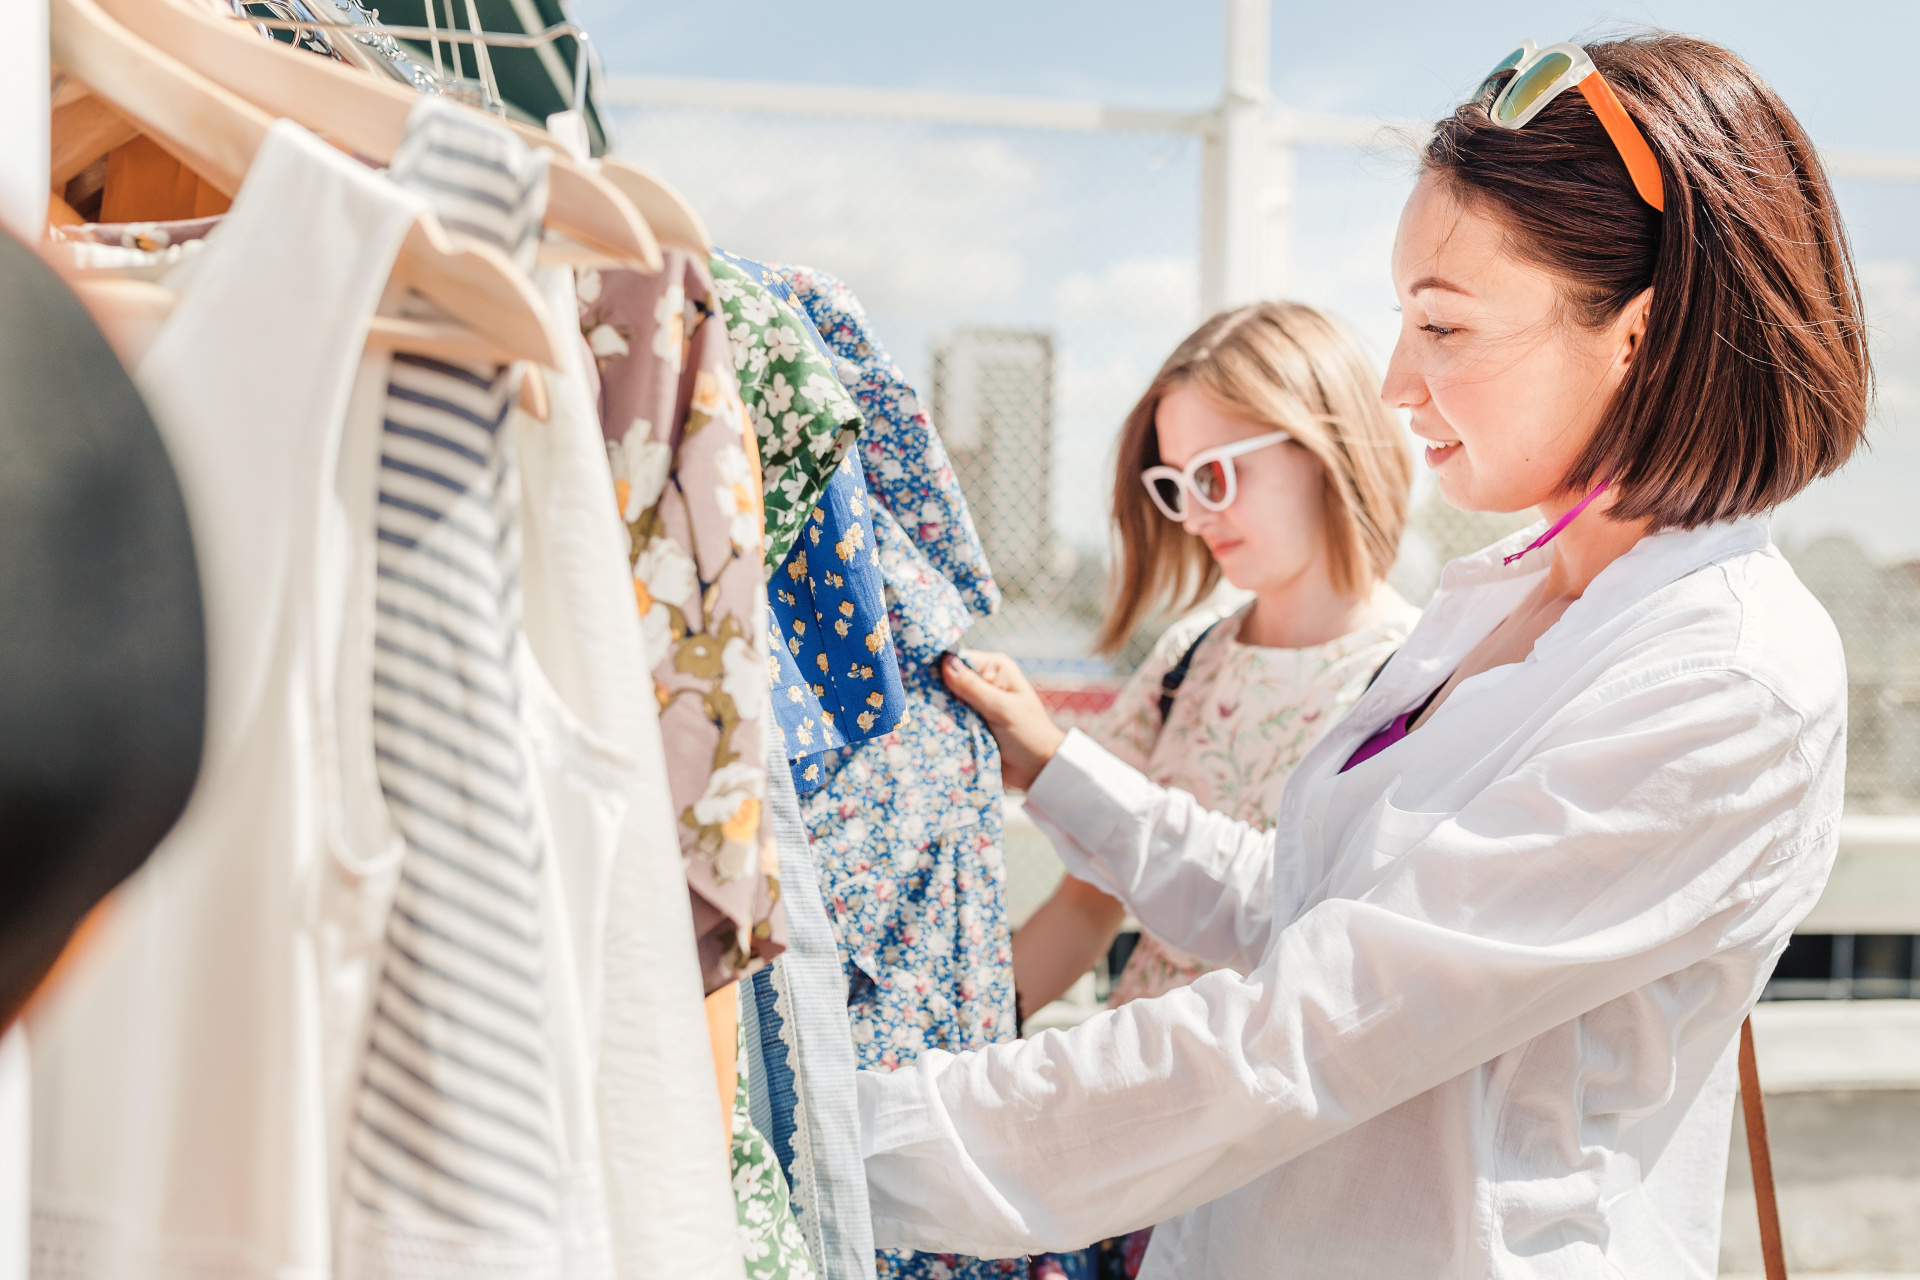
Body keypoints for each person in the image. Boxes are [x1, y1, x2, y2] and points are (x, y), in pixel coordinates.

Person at [861, 32, 1870, 1278]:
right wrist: (1064, 771)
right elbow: (1310, 913)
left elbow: (1315, 1023)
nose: (1397, 379)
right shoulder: (1504, 596)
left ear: (1644, 339)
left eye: (1443, 326)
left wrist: (847, 1153)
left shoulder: (1726, 677)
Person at [1012, 302, 1415, 1280]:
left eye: (1217, 475)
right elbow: (1085, 901)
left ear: (1324, 444)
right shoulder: (1189, 654)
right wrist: (942, 1039)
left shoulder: (1410, 681)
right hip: (1129, 1156)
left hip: (1276, 1183)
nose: (1192, 513)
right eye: (1173, 483)